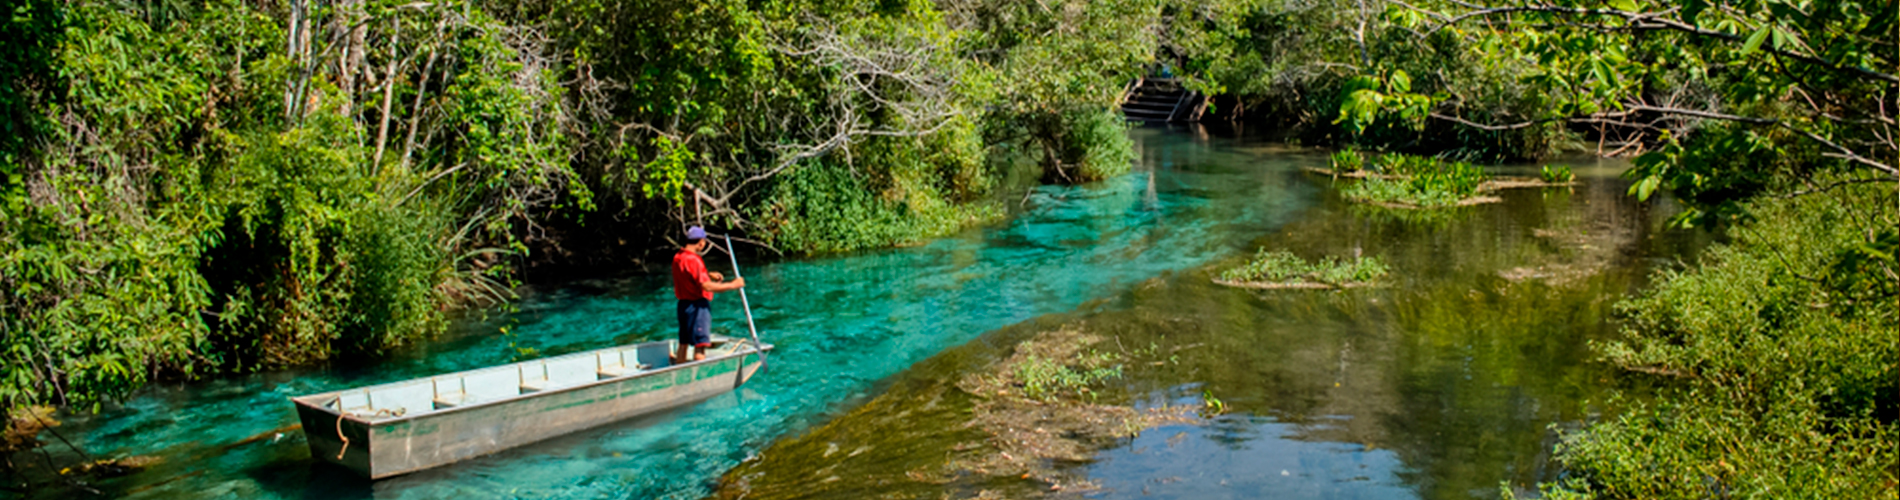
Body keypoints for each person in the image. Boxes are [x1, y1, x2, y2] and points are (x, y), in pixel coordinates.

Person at [672, 225, 744, 363]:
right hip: (697, 306)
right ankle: (699, 373)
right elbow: (706, 286)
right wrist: (733, 285)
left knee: (683, 342)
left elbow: (688, 275)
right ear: (701, 243)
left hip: (683, 306)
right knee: (700, 344)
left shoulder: (678, 257)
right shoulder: (694, 260)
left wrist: (707, 274)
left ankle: (679, 368)